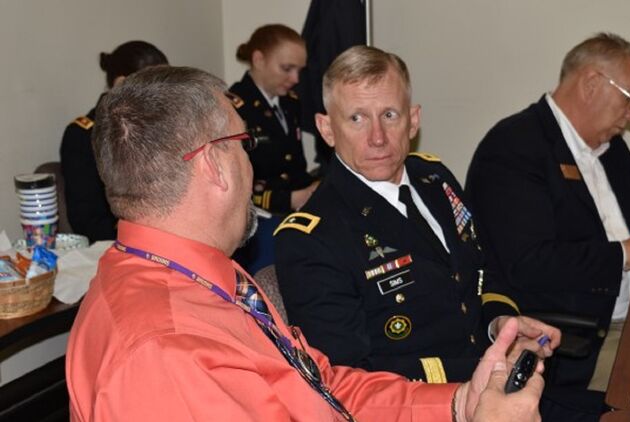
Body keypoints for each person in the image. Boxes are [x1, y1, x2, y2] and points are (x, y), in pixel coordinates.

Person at [65, 65, 544, 422]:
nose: (252, 165)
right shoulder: (164, 352)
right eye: (245, 144)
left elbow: (322, 385)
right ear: (213, 165)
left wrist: (458, 403)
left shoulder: (201, 277)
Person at [274, 45, 560, 385]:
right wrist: (487, 367)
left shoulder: (434, 179)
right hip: (427, 400)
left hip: (495, 381)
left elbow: (481, 270)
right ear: (326, 129)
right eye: (357, 119)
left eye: (389, 115)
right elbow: (348, 378)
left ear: (413, 120)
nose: (377, 138)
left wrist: (501, 327)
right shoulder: (312, 238)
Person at [465, 32, 630, 392]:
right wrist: (629, 253)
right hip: (576, 344)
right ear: (591, 84)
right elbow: (528, 263)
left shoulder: (608, 147)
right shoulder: (514, 148)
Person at [59, 40, 168, 242]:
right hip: (120, 241)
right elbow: (87, 219)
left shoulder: (165, 126)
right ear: (121, 85)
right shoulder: (83, 135)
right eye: (154, 88)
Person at [230, 24, 318, 214]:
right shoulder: (234, 108)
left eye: (299, 70)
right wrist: (290, 199)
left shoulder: (291, 102)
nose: (295, 79)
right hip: (258, 215)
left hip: (296, 211)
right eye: (287, 68)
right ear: (259, 60)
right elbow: (233, 185)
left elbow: (295, 167)